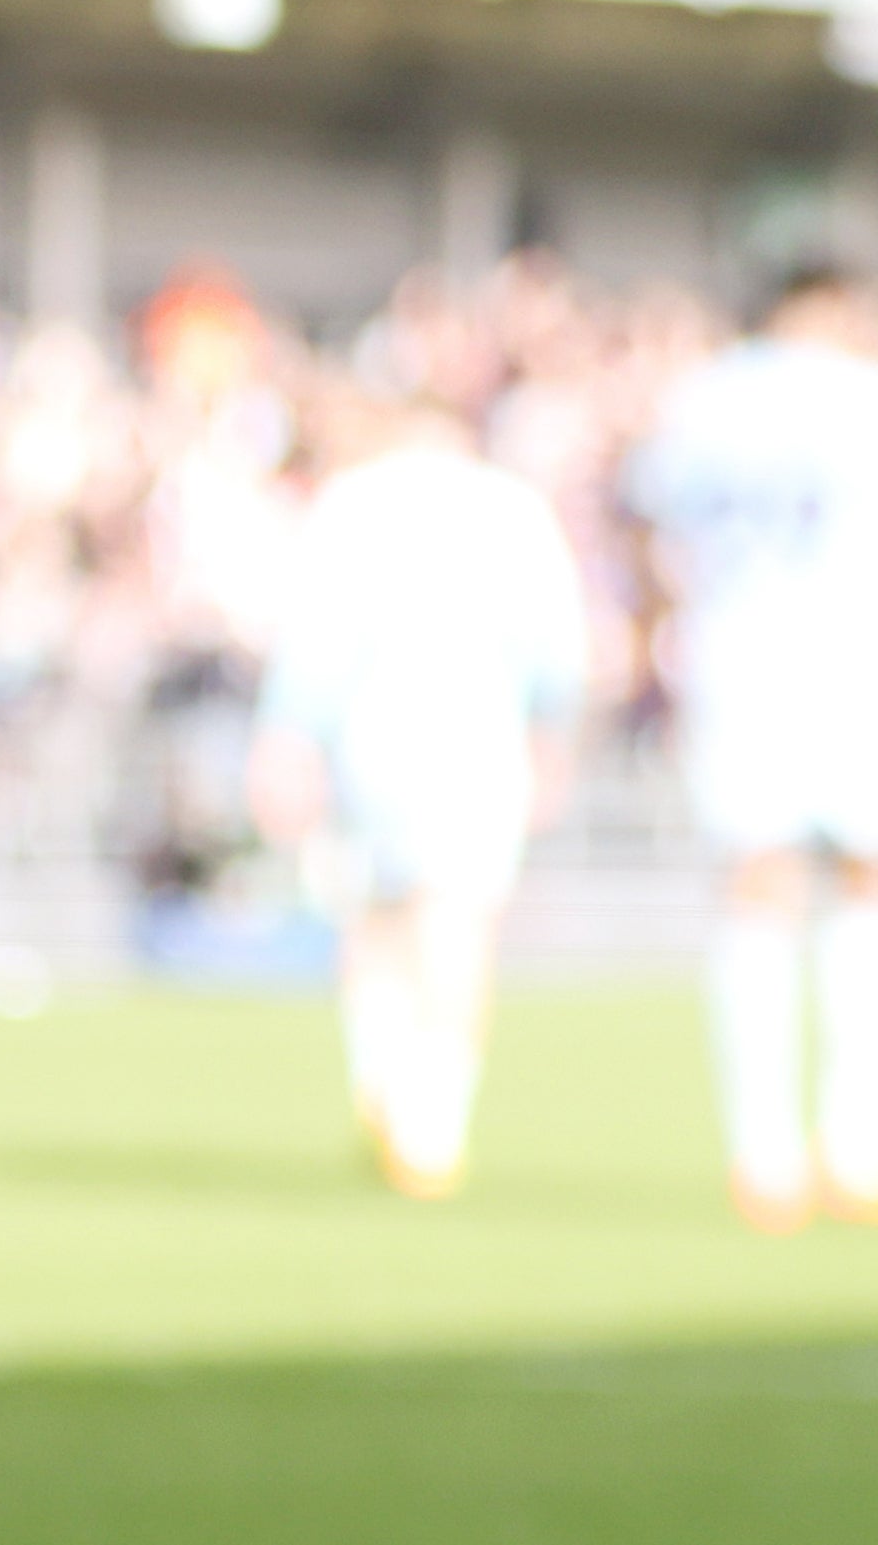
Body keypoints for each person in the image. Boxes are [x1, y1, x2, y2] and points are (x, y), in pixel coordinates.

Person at [624, 258, 878, 1231]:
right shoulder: (877, 398)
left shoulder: (705, 397)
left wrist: (665, 629)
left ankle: (762, 1153)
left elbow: (651, 529)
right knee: (869, 879)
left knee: (755, 888)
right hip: (851, 664)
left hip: (738, 663)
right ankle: (857, 1143)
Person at [250, 382, 587, 1198]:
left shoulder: (355, 502)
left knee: (378, 917)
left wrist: (288, 739)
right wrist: (552, 741)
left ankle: (384, 1079)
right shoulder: (514, 508)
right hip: (478, 733)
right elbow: (556, 647)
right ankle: (432, 1123)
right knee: (456, 918)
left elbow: (316, 641)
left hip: (374, 733)